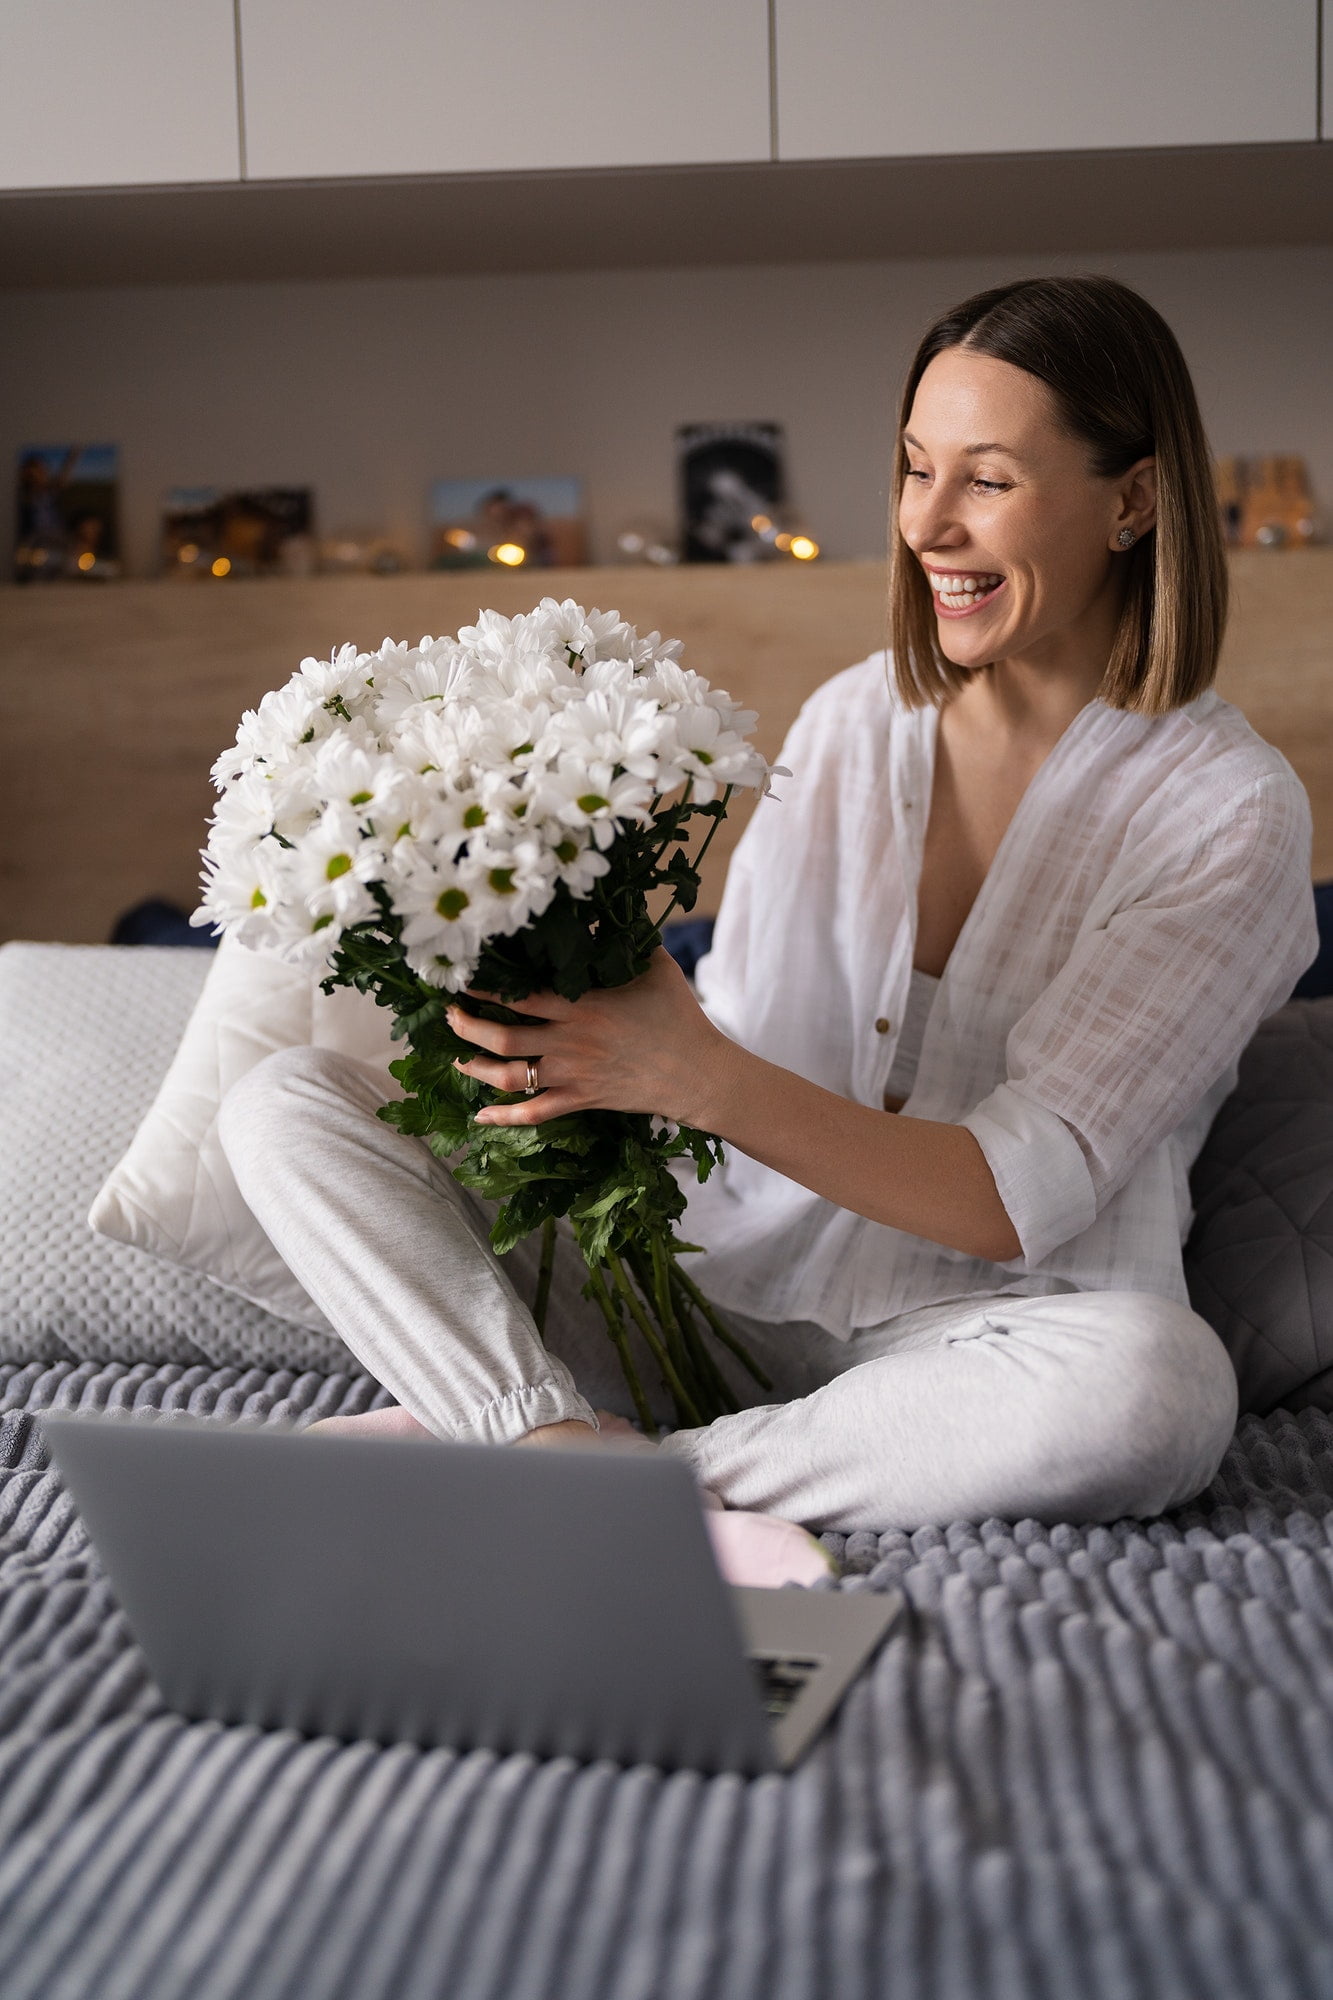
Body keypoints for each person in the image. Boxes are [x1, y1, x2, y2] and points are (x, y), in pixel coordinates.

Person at [220, 275, 1316, 1544]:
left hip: (977, 1353)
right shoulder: (856, 718)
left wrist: (694, 1071)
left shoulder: (1229, 811)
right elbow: (727, 1025)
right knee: (287, 1101)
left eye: (989, 480)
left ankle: (562, 1466)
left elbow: (1018, 1195)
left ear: (1131, 500)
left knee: (1159, 1388)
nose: (930, 525)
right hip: (708, 1295)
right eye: (914, 470)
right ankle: (545, 1436)